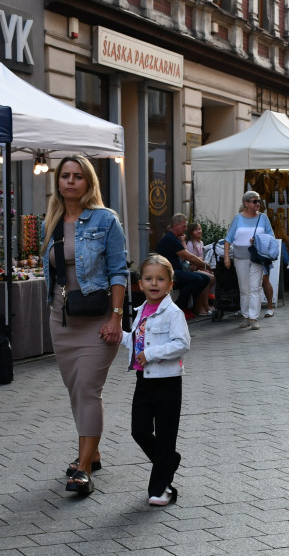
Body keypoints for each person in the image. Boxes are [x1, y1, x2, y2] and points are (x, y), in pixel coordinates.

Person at [41, 155, 128, 496]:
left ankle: (84, 468)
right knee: (75, 389)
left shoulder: (106, 220)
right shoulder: (51, 221)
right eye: (65, 176)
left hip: (98, 320)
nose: (70, 181)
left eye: (78, 176)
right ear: (58, 182)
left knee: (89, 389)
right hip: (62, 318)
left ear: (89, 182)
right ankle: (93, 452)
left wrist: (116, 316)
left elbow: (119, 271)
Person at [123, 254, 192, 506]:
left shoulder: (173, 313)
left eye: (160, 279)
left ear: (170, 284)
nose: (154, 283)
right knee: (139, 430)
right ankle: (169, 460)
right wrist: (117, 335)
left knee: (165, 436)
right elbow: (136, 341)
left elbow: (182, 344)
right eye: (148, 278)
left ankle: (161, 489)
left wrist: (151, 355)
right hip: (144, 380)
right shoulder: (140, 311)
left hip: (168, 382)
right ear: (140, 283)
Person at [224, 191, 272, 330]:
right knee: (244, 289)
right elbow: (228, 238)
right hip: (240, 257)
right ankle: (245, 316)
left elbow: (271, 236)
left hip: (257, 257)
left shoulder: (263, 218)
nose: (258, 204)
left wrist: (258, 240)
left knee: (256, 287)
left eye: (259, 201)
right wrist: (226, 256)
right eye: (254, 201)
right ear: (246, 203)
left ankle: (254, 318)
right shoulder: (238, 218)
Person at [155, 213, 211, 319]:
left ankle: (191, 306)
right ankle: (180, 306)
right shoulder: (170, 239)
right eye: (184, 226)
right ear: (176, 225)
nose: (185, 229)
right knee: (197, 279)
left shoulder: (175, 238)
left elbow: (187, 256)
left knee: (205, 279)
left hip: (176, 270)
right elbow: (188, 256)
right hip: (168, 272)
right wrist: (207, 266)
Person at [184, 222, 215, 316]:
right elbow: (192, 260)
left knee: (213, 276)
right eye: (196, 230)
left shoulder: (201, 243)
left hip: (201, 267)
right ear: (191, 232)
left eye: (200, 229)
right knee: (208, 278)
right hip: (195, 268)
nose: (199, 231)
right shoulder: (190, 244)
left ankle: (206, 302)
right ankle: (204, 305)